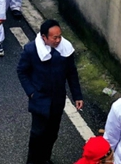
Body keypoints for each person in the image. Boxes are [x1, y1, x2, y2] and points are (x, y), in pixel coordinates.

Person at [17, 19, 84, 164]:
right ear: (44, 37)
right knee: (37, 134)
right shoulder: (31, 50)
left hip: (57, 100)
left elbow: (71, 73)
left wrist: (77, 95)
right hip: (39, 99)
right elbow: (22, 72)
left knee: (52, 134)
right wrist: (31, 92)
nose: (58, 40)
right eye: (55, 37)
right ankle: (33, 161)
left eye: (60, 36)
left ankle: (45, 158)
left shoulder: (66, 49)